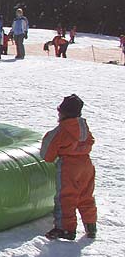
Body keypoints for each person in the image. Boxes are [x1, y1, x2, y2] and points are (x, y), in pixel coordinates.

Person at [42, 94, 97, 240]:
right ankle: (91, 226)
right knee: (86, 195)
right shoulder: (84, 128)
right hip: (86, 164)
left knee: (66, 197)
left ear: (63, 113)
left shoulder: (61, 131)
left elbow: (47, 154)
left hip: (68, 167)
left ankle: (66, 229)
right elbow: (90, 141)